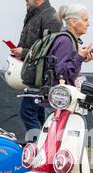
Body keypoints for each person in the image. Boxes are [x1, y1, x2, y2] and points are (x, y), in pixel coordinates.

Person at [13, 0, 62, 141]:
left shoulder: (51, 17)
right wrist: (20, 51)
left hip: (42, 77)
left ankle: (37, 147)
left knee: (27, 112)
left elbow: (52, 49)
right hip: (35, 76)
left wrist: (23, 52)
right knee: (39, 115)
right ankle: (45, 148)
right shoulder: (34, 14)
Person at [47, 4, 93, 86]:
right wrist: (79, 57)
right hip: (58, 96)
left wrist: (81, 57)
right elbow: (61, 74)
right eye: (85, 20)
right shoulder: (65, 41)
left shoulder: (69, 39)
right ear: (73, 22)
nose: (88, 24)